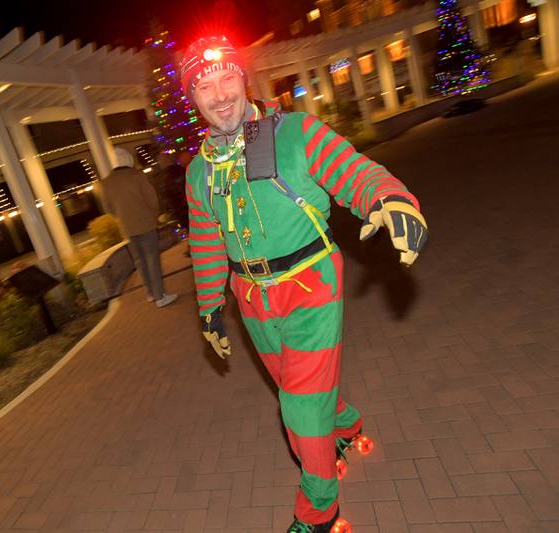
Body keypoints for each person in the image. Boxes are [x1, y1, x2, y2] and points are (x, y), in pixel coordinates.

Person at [181, 36, 428, 533]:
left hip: (311, 284)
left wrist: (391, 199)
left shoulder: (296, 133)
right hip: (251, 298)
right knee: (301, 388)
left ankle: (319, 509)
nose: (220, 93)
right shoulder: (199, 171)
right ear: (194, 98)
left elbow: (355, 173)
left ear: (244, 79)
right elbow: (207, 243)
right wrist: (210, 307)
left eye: (227, 77)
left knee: (297, 403)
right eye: (204, 85)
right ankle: (347, 425)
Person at [101, 147, 178, 308]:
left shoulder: (107, 182)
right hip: (145, 224)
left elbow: (108, 209)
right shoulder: (136, 175)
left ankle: (150, 293)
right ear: (128, 159)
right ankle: (160, 296)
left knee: (139, 261)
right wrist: (153, 215)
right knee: (152, 259)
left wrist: (123, 217)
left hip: (127, 228)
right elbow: (152, 199)